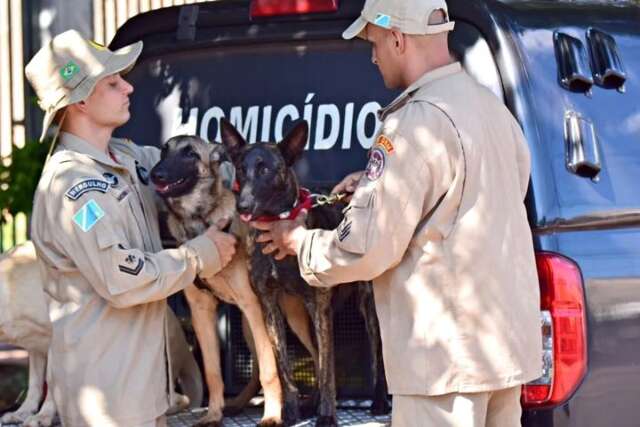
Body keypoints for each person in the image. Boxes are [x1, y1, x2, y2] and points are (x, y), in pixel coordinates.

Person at [251, 0, 542, 425]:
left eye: (373, 43)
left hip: (442, 367)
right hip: (499, 355)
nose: (372, 56)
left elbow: (368, 248)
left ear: (398, 38)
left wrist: (300, 243)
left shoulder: (414, 123)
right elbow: (487, 195)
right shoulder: (491, 108)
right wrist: (373, 187)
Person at [24, 30, 236, 427]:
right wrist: (200, 255)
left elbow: (204, 170)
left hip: (145, 393)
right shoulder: (74, 188)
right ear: (81, 101)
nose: (129, 86)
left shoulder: (126, 157)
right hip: (108, 402)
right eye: (112, 82)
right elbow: (124, 280)